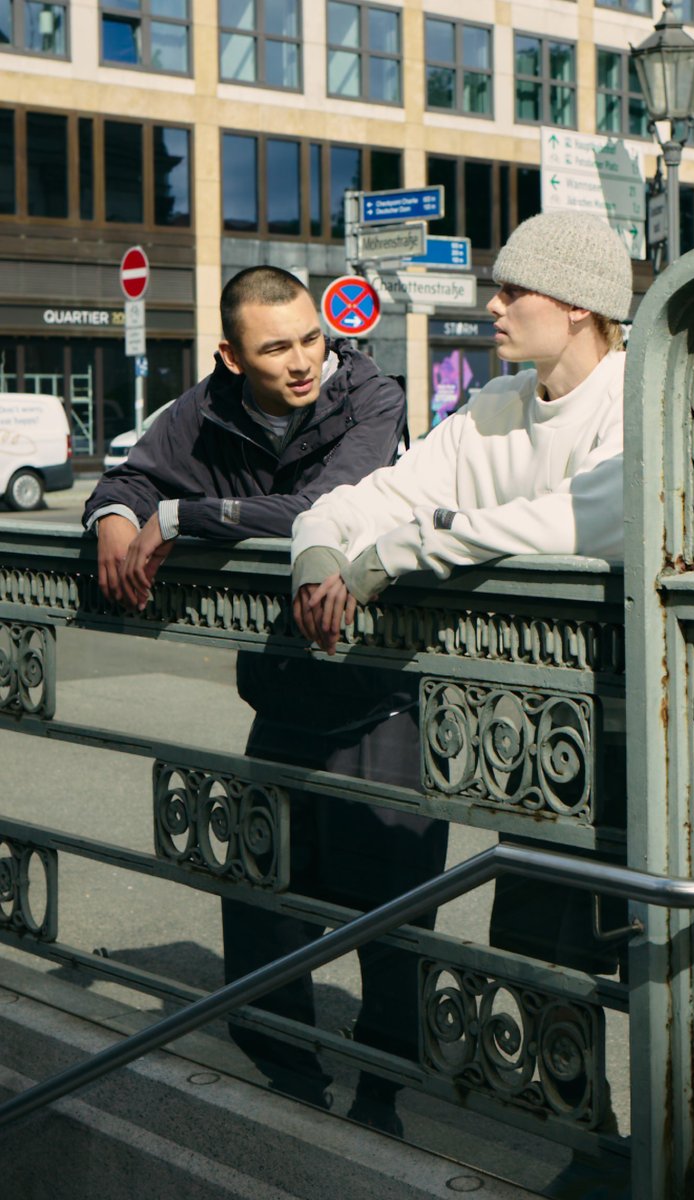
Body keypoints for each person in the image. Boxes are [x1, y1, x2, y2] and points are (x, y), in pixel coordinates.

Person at [83, 265, 448, 1131]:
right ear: (230, 356)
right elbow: (132, 477)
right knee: (262, 896)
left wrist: (182, 519)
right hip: (282, 695)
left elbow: (327, 508)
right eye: (276, 348)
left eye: (312, 339)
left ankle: (383, 1097)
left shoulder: (371, 396)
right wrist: (115, 519)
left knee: (392, 919)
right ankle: (290, 1086)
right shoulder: (208, 407)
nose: (303, 362)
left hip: (379, 696)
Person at [291, 211, 632, 979]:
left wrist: (402, 549)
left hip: (636, 729)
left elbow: (579, 520)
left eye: (513, 290)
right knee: (536, 962)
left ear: (578, 304)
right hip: (535, 729)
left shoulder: (634, 400)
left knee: (656, 972)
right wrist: (317, 551)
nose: (492, 305)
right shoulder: (495, 408)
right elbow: (376, 495)